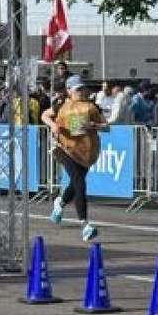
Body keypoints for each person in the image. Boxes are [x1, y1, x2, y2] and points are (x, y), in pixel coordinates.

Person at [42, 76, 108, 242]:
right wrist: (54, 126)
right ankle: (85, 225)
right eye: (77, 89)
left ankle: (60, 203)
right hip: (62, 148)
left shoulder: (91, 107)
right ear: (69, 91)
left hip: (84, 152)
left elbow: (106, 127)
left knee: (75, 183)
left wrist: (94, 126)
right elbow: (44, 115)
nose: (81, 92)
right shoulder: (60, 105)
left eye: (82, 89)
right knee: (79, 182)